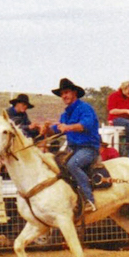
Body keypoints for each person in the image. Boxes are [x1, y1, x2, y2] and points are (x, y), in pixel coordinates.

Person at [41, 77, 101, 212]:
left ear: (74, 93)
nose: (64, 96)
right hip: (72, 149)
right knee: (55, 164)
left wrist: (67, 127)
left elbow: (85, 125)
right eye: (62, 94)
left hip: (88, 148)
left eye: (66, 92)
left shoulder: (85, 108)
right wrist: (47, 129)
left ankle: (88, 200)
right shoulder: (65, 114)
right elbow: (56, 130)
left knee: (73, 164)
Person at [107, 80, 129, 154]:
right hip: (116, 118)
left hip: (128, 119)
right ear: (124, 89)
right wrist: (126, 111)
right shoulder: (114, 96)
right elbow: (111, 111)